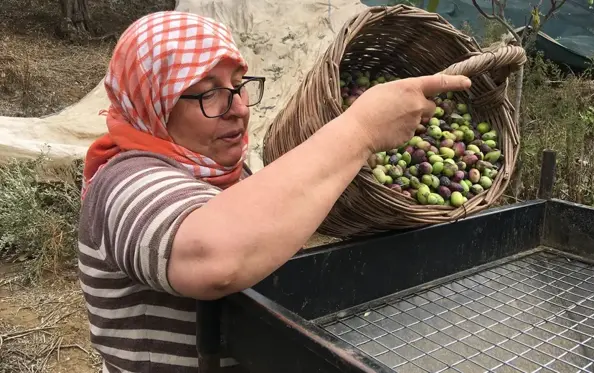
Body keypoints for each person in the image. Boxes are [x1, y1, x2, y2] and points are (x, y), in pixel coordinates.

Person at [77, 9, 472, 373]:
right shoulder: (123, 180)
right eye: (207, 91)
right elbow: (214, 258)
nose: (238, 108)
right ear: (154, 102)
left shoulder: (229, 174)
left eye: (238, 85)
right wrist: (362, 130)